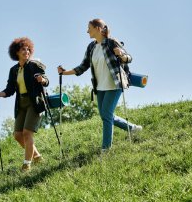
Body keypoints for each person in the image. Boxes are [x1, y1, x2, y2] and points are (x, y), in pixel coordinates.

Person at [57, 19, 142, 152]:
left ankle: (106, 149)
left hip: (115, 83)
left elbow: (129, 58)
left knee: (107, 115)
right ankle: (132, 128)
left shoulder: (111, 42)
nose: (87, 31)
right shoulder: (91, 47)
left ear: (98, 28)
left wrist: (122, 56)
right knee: (105, 115)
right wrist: (65, 72)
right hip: (99, 86)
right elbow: (83, 66)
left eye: (89, 28)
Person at [0, 37, 49, 171]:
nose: (26, 51)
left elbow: (46, 79)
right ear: (16, 52)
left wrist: (42, 80)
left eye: (28, 49)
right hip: (21, 103)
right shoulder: (14, 70)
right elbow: (10, 90)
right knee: (17, 135)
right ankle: (37, 157)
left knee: (27, 133)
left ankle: (27, 164)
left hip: (35, 102)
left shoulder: (35, 65)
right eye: (23, 49)